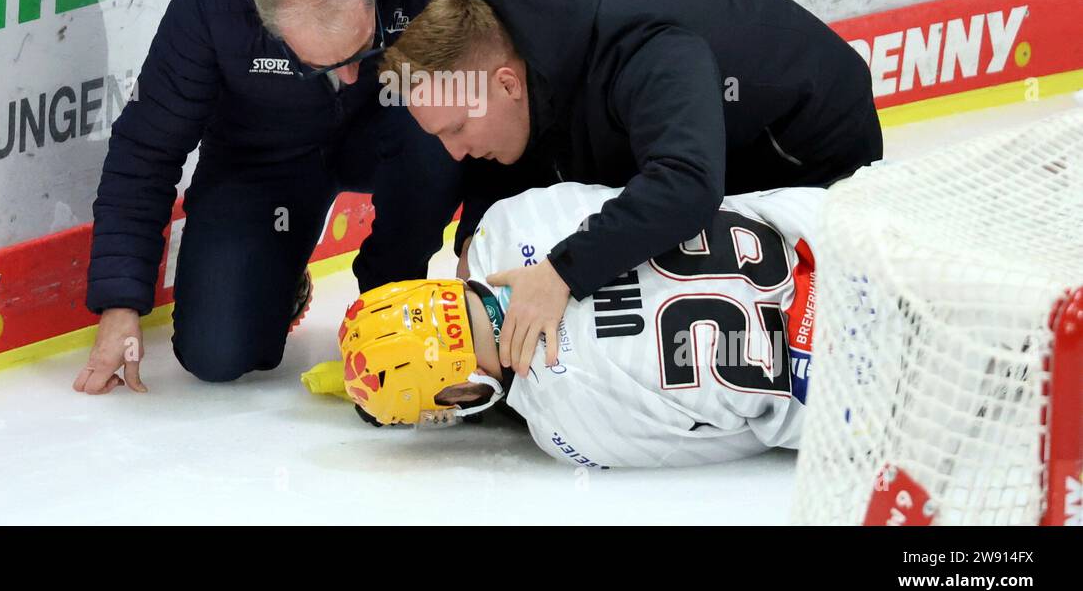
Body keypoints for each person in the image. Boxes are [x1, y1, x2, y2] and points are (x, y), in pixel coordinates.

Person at [74, 0, 479, 394]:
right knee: (215, 354)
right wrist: (120, 302)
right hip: (265, 156)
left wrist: (480, 262)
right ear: (266, 17)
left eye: (358, 52)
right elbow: (149, 142)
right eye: (319, 64)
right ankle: (280, 280)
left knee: (438, 131)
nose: (351, 77)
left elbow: (488, 113)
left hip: (392, 140)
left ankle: (387, 294)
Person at [381, 0, 879, 377]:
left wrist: (560, 274)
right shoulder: (520, 52)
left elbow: (687, 185)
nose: (454, 152)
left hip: (806, 159)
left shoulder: (640, 51)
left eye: (456, 129)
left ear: (509, 85)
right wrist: (475, 235)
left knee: (652, 264)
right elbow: (519, 151)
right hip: (706, 148)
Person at [339, 181, 823, 468]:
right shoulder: (509, 219)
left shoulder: (563, 429)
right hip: (840, 230)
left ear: (466, 394)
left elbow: (733, 442)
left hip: (852, 378)